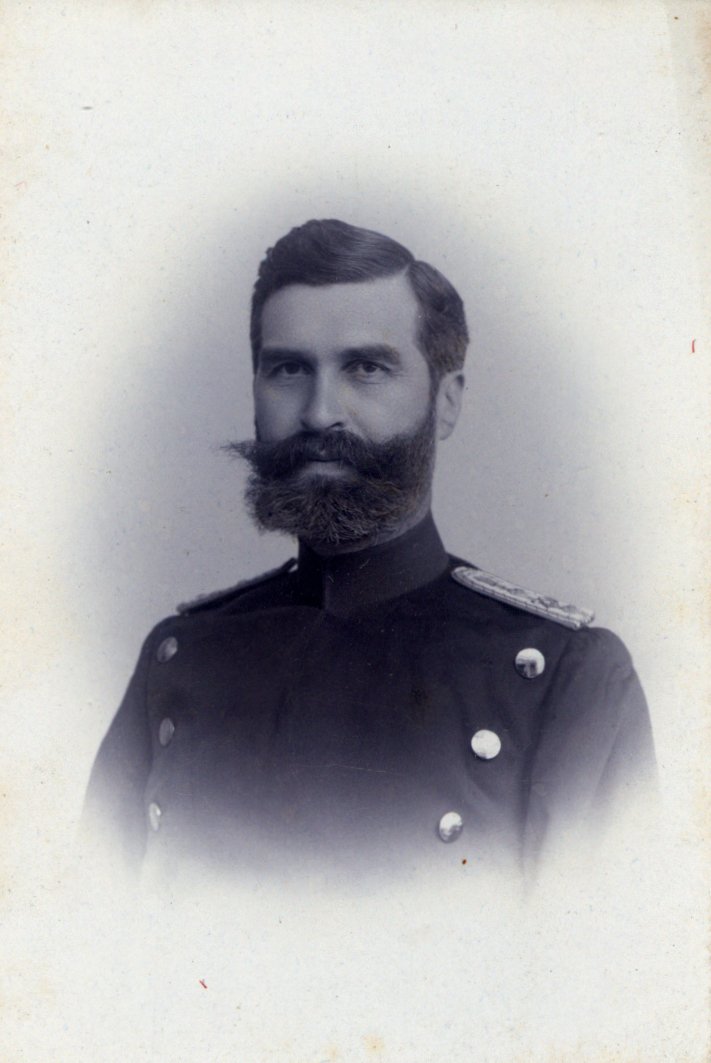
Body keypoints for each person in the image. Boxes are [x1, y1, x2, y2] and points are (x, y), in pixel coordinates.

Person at [83, 219, 656, 880]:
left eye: (366, 367)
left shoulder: (566, 677)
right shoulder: (178, 658)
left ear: (445, 402)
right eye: (288, 368)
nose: (320, 411)